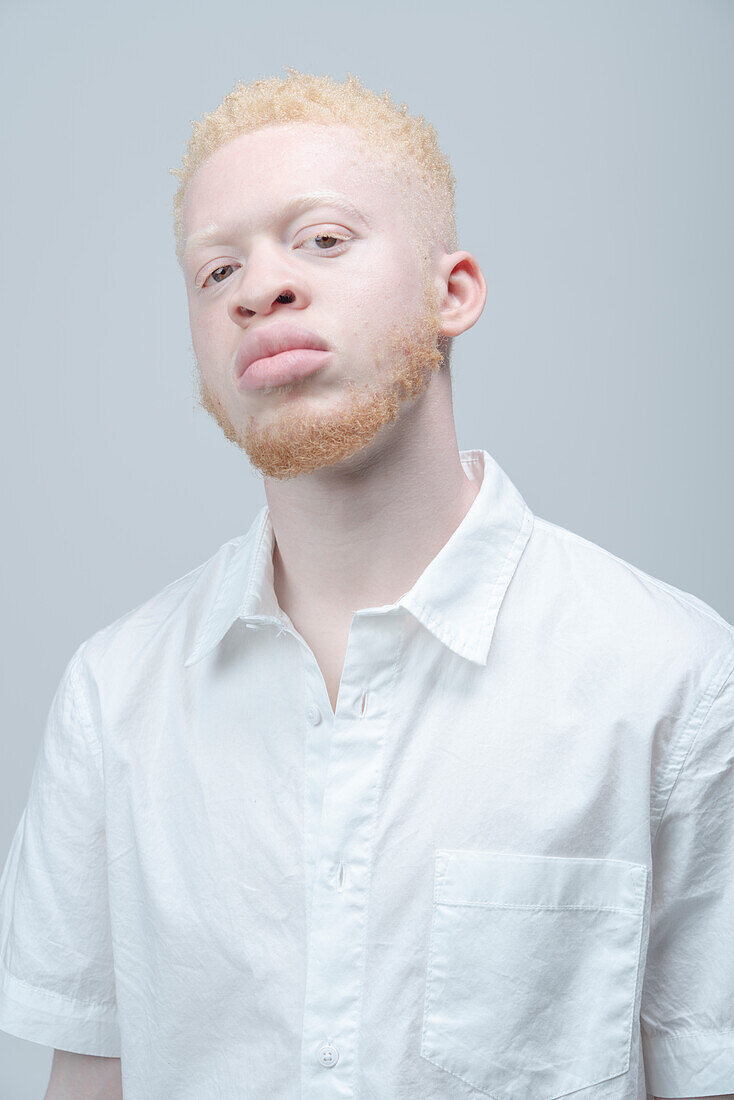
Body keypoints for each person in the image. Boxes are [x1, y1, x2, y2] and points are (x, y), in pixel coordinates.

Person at [0, 68, 732, 1100]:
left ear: (454, 291)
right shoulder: (111, 697)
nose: (258, 288)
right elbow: (88, 1076)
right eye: (216, 272)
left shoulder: (671, 678)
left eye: (321, 239)